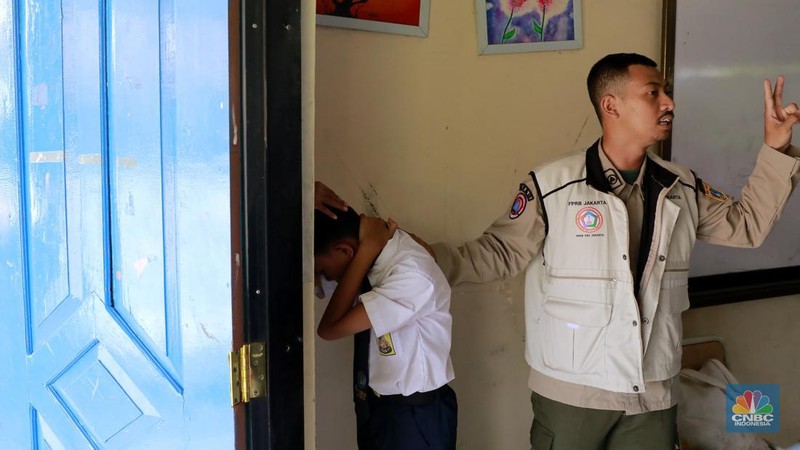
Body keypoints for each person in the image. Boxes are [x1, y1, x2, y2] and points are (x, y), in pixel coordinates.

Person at [420, 53, 800, 449]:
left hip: (652, 390)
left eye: (666, 92)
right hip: (575, 390)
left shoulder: (681, 187)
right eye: (653, 93)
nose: (669, 102)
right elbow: (496, 252)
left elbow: (748, 226)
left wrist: (775, 149)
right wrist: (418, 260)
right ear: (611, 105)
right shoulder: (554, 186)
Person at [314, 205, 458, 450]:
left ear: (345, 250)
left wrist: (366, 251)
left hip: (414, 419)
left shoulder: (411, 274)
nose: (325, 280)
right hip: (377, 405)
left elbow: (329, 328)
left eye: (324, 272)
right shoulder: (373, 253)